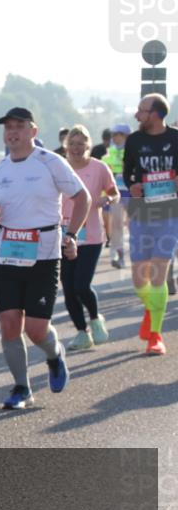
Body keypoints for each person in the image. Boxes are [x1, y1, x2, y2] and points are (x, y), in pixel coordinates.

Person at [0, 108, 91, 410]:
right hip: (8, 255)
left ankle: (54, 357)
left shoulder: (50, 162)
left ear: (33, 130)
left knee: (36, 330)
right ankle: (21, 387)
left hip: (43, 254)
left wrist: (71, 235)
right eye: (8, 128)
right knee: (9, 324)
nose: (13, 132)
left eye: (19, 126)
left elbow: (82, 198)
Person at [124, 93, 178, 355]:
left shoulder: (176, 139)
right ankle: (151, 310)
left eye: (141, 110)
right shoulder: (134, 141)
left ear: (155, 114)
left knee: (158, 272)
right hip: (141, 213)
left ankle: (155, 335)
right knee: (138, 279)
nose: (137, 115)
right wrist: (132, 185)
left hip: (169, 212)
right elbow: (127, 173)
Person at [59, 125, 119, 350]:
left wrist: (108, 200)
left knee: (81, 285)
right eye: (72, 144)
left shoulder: (99, 168)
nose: (76, 148)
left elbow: (114, 192)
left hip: (92, 235)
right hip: (63, 234)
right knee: (68, 287)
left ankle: (95, 318)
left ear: (88, 145)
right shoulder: (60, 168)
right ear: (66, 146)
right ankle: (81, 333)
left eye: (80, 143)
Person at [105, 123, 132, 268]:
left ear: (125, 136)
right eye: (114, 135)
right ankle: (118, 254)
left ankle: (137, 254)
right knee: (116, 225)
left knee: (134, 224)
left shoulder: (134, 151)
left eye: (119, 134)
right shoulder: (109, 153)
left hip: (132, 191)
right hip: (116, 192)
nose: (115, 137)